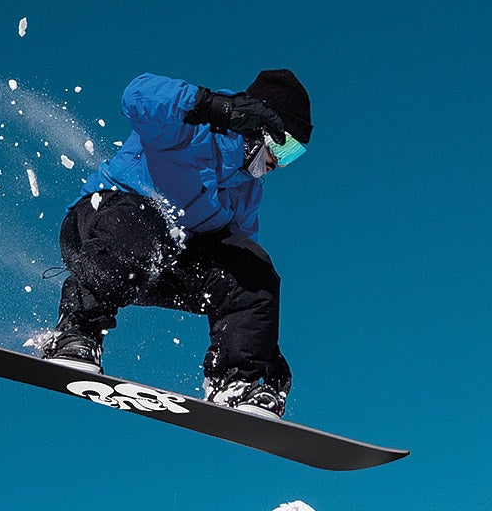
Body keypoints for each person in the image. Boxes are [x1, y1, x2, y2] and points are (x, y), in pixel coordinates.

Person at [38, 69, 312, 417]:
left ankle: (234, 382)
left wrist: (261, 346)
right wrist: (214, 107)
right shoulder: (193, 129)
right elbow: (136, 96)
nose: (281, 164)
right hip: (102, 231)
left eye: (294, 156)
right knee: (147, 223)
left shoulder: (246, 189)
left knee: (253, 268)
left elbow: (240, 272)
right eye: (283, 148)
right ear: (257, 126)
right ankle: (76, 332)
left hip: (163, 262)